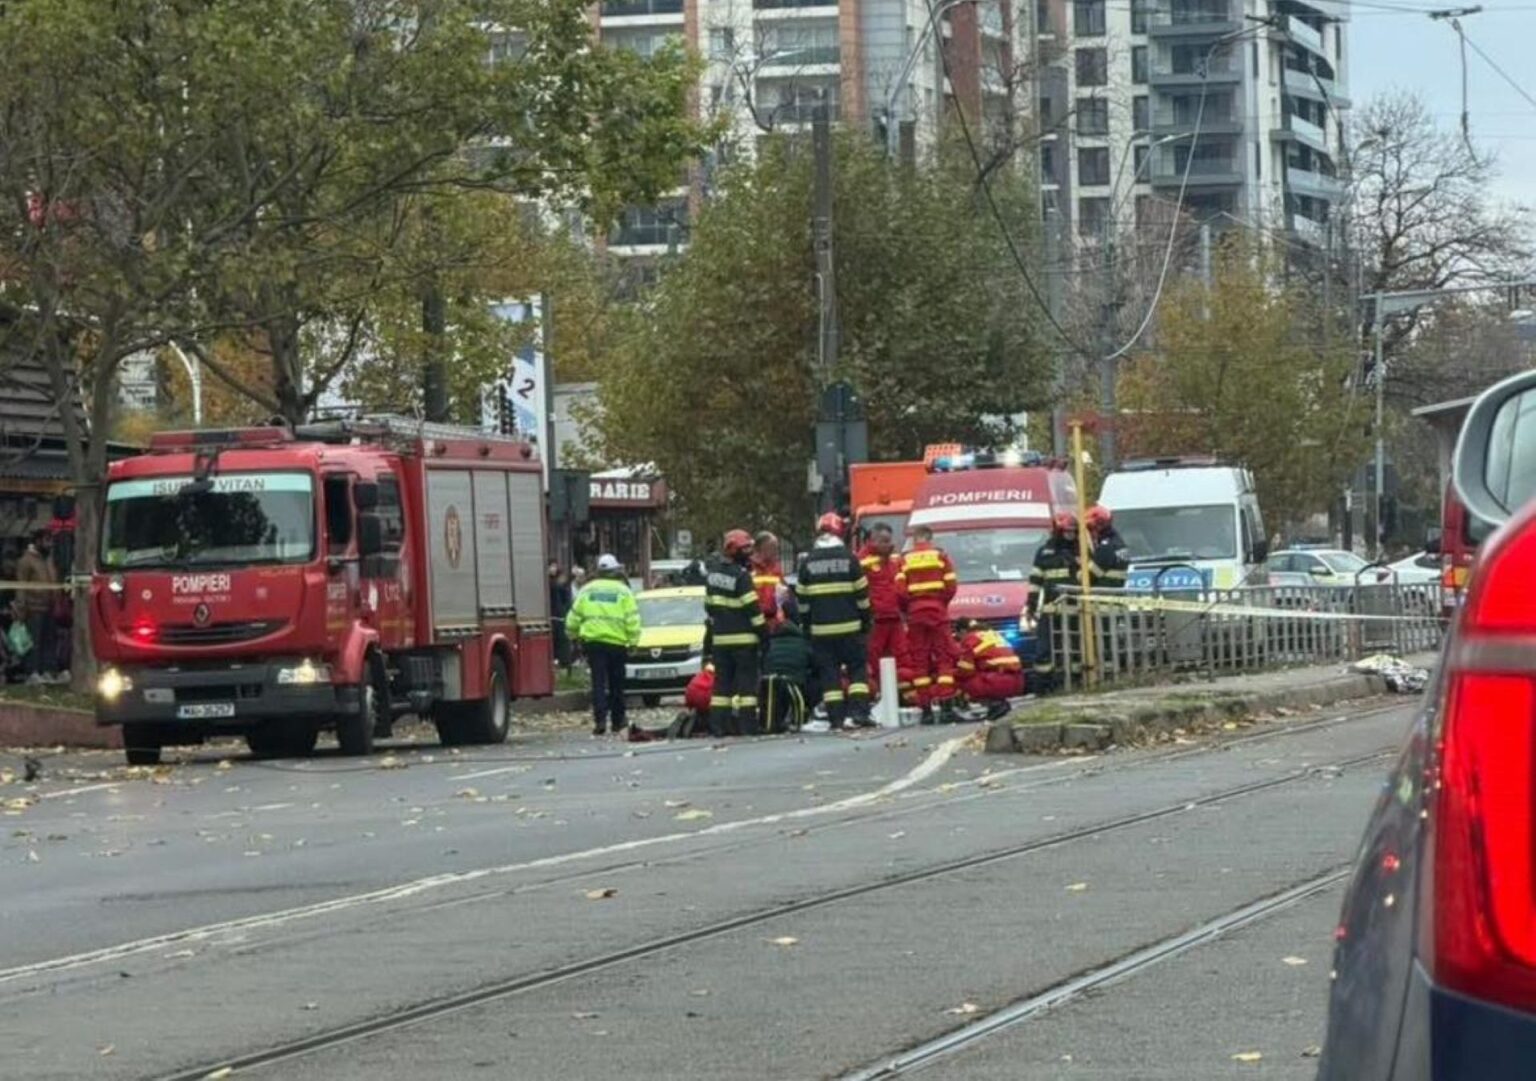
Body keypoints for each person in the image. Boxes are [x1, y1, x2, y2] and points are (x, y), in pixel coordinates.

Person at [795, 512, 874, 731]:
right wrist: (866, 621)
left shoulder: (807, 562)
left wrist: (807, 625)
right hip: (851, 629)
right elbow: (862, 596)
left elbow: (802, 601)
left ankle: (835, 719)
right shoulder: (850, 559)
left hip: (821, 632)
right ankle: (858, 714)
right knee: (857, 671)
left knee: (829, 675)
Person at [566, 553, 641, 736]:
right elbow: (632, 619)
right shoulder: (624, 591)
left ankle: (600, 720)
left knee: (598, 682)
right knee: (617, 683)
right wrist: (633, 642)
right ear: (616, 570)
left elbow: (574, 616)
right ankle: (618, 720)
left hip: (593, 643)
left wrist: (573, 635)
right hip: (617, 643)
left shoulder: (587, 589)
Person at [705, 529, 767, 737]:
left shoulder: (713, 575)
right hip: (744, 641)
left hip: (721, 641)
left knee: (721, 687)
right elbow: (753, 610)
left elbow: (709, 607)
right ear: (734, 550)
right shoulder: (741, 576)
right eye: (745, 549)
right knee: (746, 687)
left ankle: (718, 727)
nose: (748, 554)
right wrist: (764, 634)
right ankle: (748, 727)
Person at [896, 523, 959, 724]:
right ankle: (947, 706)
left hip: (915, 614)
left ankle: (926, 711)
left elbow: (899, 591)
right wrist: (941, 603)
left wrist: (909, 609)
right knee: (944, 658)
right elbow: (951, 586)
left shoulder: (904, 559)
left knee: (919, 661)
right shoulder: (941, 557)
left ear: (915, 539)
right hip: (938, 611)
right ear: (930, 538)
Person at [1027, 512, 1082, 691]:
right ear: (1058, 532)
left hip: (1075, 608)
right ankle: (1045, 685)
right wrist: (1031, 605)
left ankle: (1075, 681)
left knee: (1076, 646)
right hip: (1051, 609)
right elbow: (1035, 582)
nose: (1071, 536)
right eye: (1067, 532)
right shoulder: (1044, 553)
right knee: (1044, 649)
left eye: (1074, 532)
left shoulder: (1081, 550)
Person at [857, 523, 906, 702]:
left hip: (894, 617)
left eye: (889, 540)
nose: (889, 544)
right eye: (884, 541)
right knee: (873, 659)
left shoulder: (894, 559)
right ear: (872, 540)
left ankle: (900, 696)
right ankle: (877, 696)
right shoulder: (861, 560)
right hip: (875, 619)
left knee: (902, 657)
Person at [761, 587, 813, 734]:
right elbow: (814, 664)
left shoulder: (770, 642)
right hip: (796, 684)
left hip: (769, 684)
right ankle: (804, 714)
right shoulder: (803, 643)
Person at [955, 618, 1024, 720]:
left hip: (996, 682)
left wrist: (952, 676)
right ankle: (1000, 703)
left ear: (962, 631)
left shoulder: (969, 639)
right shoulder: (994, 634)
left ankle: (994, 704)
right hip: (1018, 681)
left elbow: (965, 670)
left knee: (961, 679)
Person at [16, 530, 57, 683]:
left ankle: (46, 670)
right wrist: (21, 607)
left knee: (48, 640)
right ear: (38, 541)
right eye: (47, 540)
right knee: (35, 641)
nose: (50, 544)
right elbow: (21, 586)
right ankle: (31, 671)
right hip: (33, 607)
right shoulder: (26, 561)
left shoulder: (47, 559)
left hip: (49, 606)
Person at [1086, 505, 1129, 591]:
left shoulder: (1106, 547)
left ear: (1097, 527)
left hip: (1103, 595)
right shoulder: (1118, 542)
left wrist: (1078, 571)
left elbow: (1090, 576)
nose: (1090, 533)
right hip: (1116, 593)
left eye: (1090, 528)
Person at [750, 531, 786, 625]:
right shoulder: (749, 567)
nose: (776, 551)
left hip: (775, 621)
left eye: (776, 547)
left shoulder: (776, 568)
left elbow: (784, 594)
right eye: (773, 547)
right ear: (761, 548)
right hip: (755, 621)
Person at [548, 561, 574, 672]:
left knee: (562, 640)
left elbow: (566, 598)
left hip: (560, 615)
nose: (553, 568)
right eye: (551, 566)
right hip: (552, 615)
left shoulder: (561, 582)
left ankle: (565, 663)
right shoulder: (550, 582)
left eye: (554, 566)